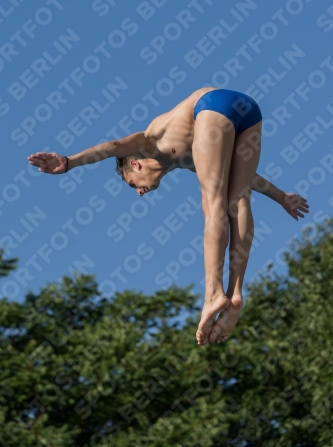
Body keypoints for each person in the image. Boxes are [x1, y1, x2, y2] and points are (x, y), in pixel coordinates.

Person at [28, 87, 309, 346]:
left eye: (132, 183)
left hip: (210, 106)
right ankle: (234, 294)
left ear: (134, 163)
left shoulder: (149, 141)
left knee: (213, 204)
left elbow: (113, 146)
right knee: (239, 200)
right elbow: (246, 176)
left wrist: (69, 162)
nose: (138, 192)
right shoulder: (188, 158)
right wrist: (282, 196)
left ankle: (214, 293)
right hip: (247, 110)